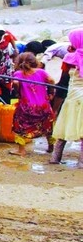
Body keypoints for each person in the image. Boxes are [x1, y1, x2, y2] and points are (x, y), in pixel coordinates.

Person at [10, 52, 56, 156]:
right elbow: (51, 80)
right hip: (43, 105)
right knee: (47, 125)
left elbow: (16, 83)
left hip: (27, 106)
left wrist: (18, 92)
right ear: (34, 61)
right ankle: (51, 147)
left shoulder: (18, 74)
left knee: (20, 126)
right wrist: (50, 92)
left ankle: (21, 150)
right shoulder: (41, 72)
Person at [50, 27, 83, 167]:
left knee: (64, 126)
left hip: (72, 96)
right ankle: (81, 162)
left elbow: (63, 80)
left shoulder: (69, 58)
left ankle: (55, 158)